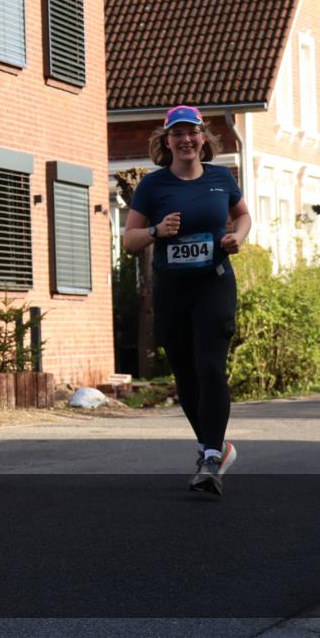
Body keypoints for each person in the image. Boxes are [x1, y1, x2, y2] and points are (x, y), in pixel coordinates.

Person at [122, 105, 252, 496]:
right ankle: (213, 445)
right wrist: (157, 231)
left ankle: (211, 455)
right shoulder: (152, 185)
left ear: (203, 137)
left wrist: (237, 238)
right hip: (172, 291)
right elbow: (129, 240)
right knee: (186, 374)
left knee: (210, 368)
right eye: (177, 134)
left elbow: (243, 216)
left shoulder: (220, 178)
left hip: (214, 285)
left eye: (192, 132)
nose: (186, 140)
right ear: (167, 142)